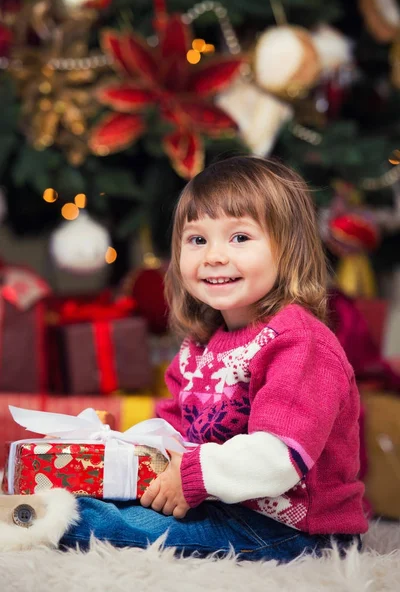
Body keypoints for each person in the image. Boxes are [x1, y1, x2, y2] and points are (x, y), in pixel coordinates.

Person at [59, 157, 368, 561]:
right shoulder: (202, 344)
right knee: (118, 504)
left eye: (239, 237)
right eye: (198, 240)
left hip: (299, 530)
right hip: (224, 504)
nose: (214, 256)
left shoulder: (300, 341)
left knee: (118, 529)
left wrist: (191, 474)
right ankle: (57, 502)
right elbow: (174, 424)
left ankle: (46, 520)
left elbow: (279, 457)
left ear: (287, 249)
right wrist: (126, 451)